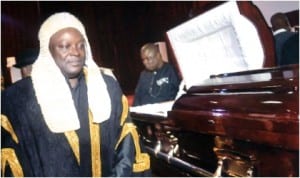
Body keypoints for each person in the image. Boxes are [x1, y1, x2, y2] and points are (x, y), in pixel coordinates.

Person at [1, 12, 151, 177]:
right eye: (65, 46)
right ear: (48, 50)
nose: (76, 52)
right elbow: (12, 163)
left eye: (81, 45)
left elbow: (127, 146)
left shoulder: (108, 87)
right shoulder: (18, 99)